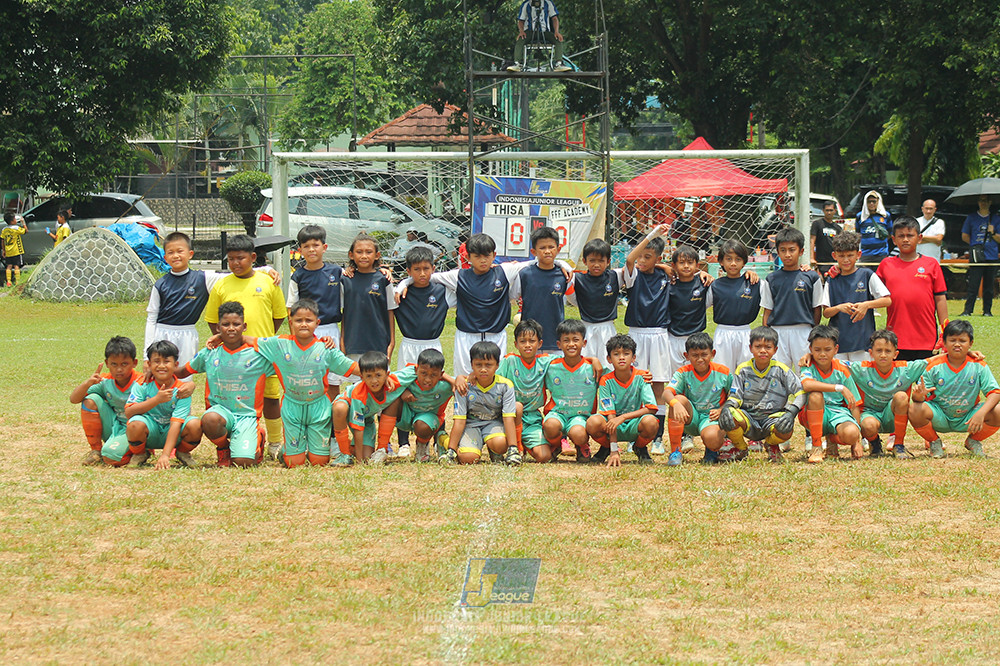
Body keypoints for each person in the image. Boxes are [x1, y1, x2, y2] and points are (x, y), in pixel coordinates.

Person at [397, 233, 566, 376]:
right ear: (468, 257)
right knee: (463, 378)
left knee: (496, 377)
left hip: (496, 335)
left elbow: (537, 261)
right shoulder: (458, 276)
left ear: (494, 254)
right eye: (477, 256)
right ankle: (462, 414)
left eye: (487, 256)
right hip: (466, 336)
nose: (483, 261)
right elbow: (427, 276)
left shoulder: (504, 271)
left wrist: (562, 263)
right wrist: (403, 284)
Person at [146, 231, 278, 373]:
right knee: (159, 373)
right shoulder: (160, 284)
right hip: (163, 331)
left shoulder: (203, 278)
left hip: (188, 334)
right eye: (171, 252)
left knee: (184, 375)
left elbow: (235, 273)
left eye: (180, 251)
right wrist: (145, 357)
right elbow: (151, 318)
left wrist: (266, 269)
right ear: (165, 257)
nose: (176, 255)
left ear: (190, 254)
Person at [250, 299, 360, 468]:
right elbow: (252, 341)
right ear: (290, 321)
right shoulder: (279, 344)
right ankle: (289, 450)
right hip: (292, 406)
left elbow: (352, 367)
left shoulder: (325, 348)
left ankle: (308, 447)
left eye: (308, 320)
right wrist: (222, 336)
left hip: (318, 407)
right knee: (294, 463)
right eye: (298, 320)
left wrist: (381, 376)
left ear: (317, 323)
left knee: (319, 462)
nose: (303, 324)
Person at [205, 234, 287, 459]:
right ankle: (239, 439)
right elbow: (212, 318)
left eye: (240, 258)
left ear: (252, 257)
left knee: (271, 397)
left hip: (262, 353)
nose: (235, 263)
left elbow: (279, 316)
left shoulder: (268, 282)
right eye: (230, 259)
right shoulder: (222, 284)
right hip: (233, 357)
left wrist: (264, 338)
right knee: (235, 398)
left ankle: (274, 443)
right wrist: (224, 339)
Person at [178, 302, 271, 467]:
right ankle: (223, 448)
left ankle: (258, 437)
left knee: (243, 463)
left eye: (236, 324)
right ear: (218, 327)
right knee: (209, 419)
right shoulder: (210, 352)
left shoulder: (258, 355)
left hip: (246, 416)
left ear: (244, 326)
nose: (231, 328)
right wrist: (159, 370)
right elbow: (184, 371)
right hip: (220, 413)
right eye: (226, 324)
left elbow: (283, 351)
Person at [392, 245, 456, 456]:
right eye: (416, 269)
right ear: (408, 270)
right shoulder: (399, 293)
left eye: (426, 268)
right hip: (408, 345)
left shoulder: (441, 291)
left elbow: (463, 281)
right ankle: (403, 443)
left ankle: (439, 436)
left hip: (433, 344)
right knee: (404, 389)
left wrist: (405, 282)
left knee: (436, 389)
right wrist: (403, 284)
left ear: (433, 268)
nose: (422, 273)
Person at [102, 340, 202, 469]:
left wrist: (165, 455)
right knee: (135, 424)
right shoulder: (142, 384)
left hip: (171, 432)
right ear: (149, 364)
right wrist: (156, 400)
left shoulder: (182, 390)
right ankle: (140, 454)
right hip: (150, 431)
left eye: (166, 361)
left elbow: (176, 423)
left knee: (195, 425)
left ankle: (182, 452)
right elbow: (129, 412)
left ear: (176, 365)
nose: (161, 366)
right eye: (156, 361)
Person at [909, 320, 1000, 458]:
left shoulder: (978, 365)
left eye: (962, 340)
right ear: (944, 343)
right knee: (914, 409)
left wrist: (981, 413)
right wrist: (918, 395)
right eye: (952, 340)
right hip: (940, 416)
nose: (957, 344)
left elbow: (995, 392)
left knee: (998, 411)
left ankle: (973, 441)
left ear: (970, 344)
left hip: (969, 416)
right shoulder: (933, 366)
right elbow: (918, 398)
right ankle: (934, 442)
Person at [718, 326, 805, 463]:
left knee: (785, 429)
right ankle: (740, 448)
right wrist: (727, 407)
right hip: (748, 418)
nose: (763, 350)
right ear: (750, 348)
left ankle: (771, 445)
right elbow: (735, 396)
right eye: (758, 346)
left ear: (775, 350)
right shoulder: (743, 369)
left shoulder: (782, 370)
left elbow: (801, 392)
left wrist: (791, 412)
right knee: (730, 415)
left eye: (768, 347)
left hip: (772, 418)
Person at [623, 224, 672, 450]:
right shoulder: (632, 276)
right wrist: (652, 235)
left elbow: (691, 270)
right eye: (641, 255)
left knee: (659, 385)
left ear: (658, 258)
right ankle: (635, 432)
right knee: (636, 382)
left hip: (660, 334)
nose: (642, 260)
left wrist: (663, 265)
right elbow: (631, 259)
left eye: (648, 257)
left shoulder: (665, 275)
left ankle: (658, 437)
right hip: (637, 334)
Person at [845, 329, 927, 459]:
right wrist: (809, 356)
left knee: (901, 396)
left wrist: (966, 354)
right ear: (871, 353)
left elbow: (934, 361)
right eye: (879, 351)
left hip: (893, 415)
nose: (883, 355)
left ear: (896, 354)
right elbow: (834, 363)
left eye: (888, 351)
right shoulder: (861, 369)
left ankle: (899, 445)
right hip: (870, 414)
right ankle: (874, 443)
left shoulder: (905, 369)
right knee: (868, 425)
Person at [876, 217, 948, 361]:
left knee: (926, 382)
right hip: (896, 338)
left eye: (910, 235)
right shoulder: (886, 265)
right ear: (894, 240)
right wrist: (839, 270)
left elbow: (940, 298)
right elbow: (868, 287)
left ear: (919, 238)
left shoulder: (931, 264)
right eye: (901, 236)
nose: (905, 240)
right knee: (900, 382)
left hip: (926, 338)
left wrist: (945, 329)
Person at [288, 225, 347, 401]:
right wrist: (295, 340)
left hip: (331, 330)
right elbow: (291, 310)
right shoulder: (297, 276)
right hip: (307, 332)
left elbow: (347, 303)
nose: (311, 249)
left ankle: (332, 423)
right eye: (306, 246)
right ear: (300, 250)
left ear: (324, 247)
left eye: (316, 245)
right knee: (308, 379)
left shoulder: (336, 272)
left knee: (332, 381)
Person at [586, 334, 659, 467]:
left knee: (651, 422)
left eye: (626, 353)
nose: (621, 357)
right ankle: (607, 448)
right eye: (616, 354)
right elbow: (611, 415)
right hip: (611, 423)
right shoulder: (606, 380)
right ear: (609, 359)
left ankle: (640, 448)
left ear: (633, 357)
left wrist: (624, 417)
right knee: (593, 422)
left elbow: (651, 408)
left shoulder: (642, 377)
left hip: (634, 424)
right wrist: (614, 450)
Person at [442, 341, 520, 466]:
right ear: (472, 365)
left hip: (493, 423)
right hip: (471, 425)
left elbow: (508, 418)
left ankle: (494, 450)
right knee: (469, 459)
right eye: (478, 365)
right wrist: (451, 450)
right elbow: (460, 420)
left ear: (497, 365)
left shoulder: (505, 386)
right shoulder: (464, 386)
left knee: (501, 444)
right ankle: (445, 441)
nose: (483, 369)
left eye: (488, 365)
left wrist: (512, 448)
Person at [69, 336, 142, 466]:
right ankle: (96, 451)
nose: (119, 369)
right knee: (90, 400)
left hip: (137, 429)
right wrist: (88, 383)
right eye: (114, 364)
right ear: (107, 363)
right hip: (115, 427)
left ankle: (140, 449)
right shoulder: (105, 380)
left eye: (124, 364)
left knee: (112, 459)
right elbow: (74, 399)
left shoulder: (142, 381)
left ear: (134, 363)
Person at [820, 231, 892, 362]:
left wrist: (866, 305)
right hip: (838, 343)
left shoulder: (866, 275)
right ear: (834, 256)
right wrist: (839, 308)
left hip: (863, 342)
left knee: (862, 379)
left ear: (858, 255)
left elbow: (887, 300)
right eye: (841, 256)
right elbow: (826, 312)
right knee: (842, 379)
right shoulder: (832, 280)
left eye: (850, 255)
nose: (846, 260)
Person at [760, 226, 822, 374]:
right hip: (778, 331)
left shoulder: (811, 277)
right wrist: (768, 336)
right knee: (779, 375)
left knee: (805, 373)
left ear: (801, 251)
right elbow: (767, 310)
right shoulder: (771, 278)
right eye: (783, 250)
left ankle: (803, 398)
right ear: (778, 252)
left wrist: (812, 334)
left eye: (792, 250)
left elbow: (817, 309)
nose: (787, 254)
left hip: (803, 331)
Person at [665, 332, 731, 466]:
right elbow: (666, 393)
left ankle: (712, 450)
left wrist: (721, 410)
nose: (700, 359)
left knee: (712, 438)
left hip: (711, 418)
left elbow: (735, 397)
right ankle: (675, 451)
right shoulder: (683, 372)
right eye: (695, 355)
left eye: (704, 355)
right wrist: (675, 404)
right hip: (691, 416)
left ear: (712, 353)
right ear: (686, 356)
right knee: (677, 399)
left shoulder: (723, 373)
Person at [798, 325, 863, 463]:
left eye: (827, 350)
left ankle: (832, 440)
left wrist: (857, 441)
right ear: (810, 350)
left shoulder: (842, 369)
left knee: (851, 434)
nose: (822, 354)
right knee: (815, 395)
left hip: (838, 412)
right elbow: (807, 384)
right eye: (817, 350)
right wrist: (839, 388)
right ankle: (816, 447)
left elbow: (854, 404)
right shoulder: (808, 365)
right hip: (813, 413)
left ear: (836, 350)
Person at [542, 319, 599, 463]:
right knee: (550, 426)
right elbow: (530, 360)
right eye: (566, 340)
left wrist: (640, 374)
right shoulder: (551, 365)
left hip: (580, 416)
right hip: (558, 413)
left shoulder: (593, 368)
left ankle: (582, 445)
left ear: (584, 343)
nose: (571, 344)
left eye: (576, 340)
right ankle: (556, 445)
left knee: (579, 433)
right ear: (559, 344)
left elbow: (615, 375)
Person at [333, 351, 403, 466]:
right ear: (361, 377)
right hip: (346, 410)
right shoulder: (358, 395)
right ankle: (344, 453)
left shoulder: (394, 380)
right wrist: (359, 462)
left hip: (366, 417)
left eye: (378, 375)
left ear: (387, 374)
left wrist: (443, 376)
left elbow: (414, 371)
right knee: (340, 408)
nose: (374, 381)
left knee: (367, 456)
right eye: (369, 376)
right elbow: (358, 428)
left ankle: (351, 447)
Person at [565, 238, 625, 367]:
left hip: (608, 328)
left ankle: (606, 387)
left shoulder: (615, 276)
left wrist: (663, 266)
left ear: (608, 261)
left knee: (609, 366)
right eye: (592, 260)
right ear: (585, 261)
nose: (596, 265)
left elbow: (634, 265)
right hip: (587, 328)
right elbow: (572, 298)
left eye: (601, 261)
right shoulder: (578, 278)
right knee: (586, 366)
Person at [498, 319, 552, 457]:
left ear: (539, 343)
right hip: (509, 417)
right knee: (517, 406)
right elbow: (492, 379)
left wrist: (592, 360)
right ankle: (515, 446)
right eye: (522, 341)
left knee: (544, 456)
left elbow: (569, 360)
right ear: (516, 344)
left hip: (532, 418)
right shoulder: (509, 361)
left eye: (532, 341)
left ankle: (526, 442)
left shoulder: (545, 362)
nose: (527, 345)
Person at [389, 348, 455, 463]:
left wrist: (457, 380)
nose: (427, 379)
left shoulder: (445, 386)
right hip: (407, 415)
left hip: (427, 420)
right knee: (392, 400)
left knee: (422, 425)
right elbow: (387, 380)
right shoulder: (409, 376)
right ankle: (383, 447)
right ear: (416, 370)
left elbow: (469, 381)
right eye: (423, 373)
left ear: (441, 375)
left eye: (433, 375)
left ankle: (422, 446)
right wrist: (402, 391)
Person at [511, 226, 569, 354]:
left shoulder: (564, 275)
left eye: (551, 247)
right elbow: (513, 295)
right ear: (533, 251)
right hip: (530, 339)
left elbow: (573, 297)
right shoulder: (525, 274)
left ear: (558, 249)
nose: (547, 251)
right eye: (542, 248)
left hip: (555, 338)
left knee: (555, 373)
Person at [341, 232, 397, 360]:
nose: (364, 256)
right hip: (354, 344)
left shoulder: (384, 279)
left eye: (368, 252)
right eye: (359, 252)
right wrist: (343, 341)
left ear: (377, 255)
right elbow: (345, 313)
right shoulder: (346, 280)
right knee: (356, 380)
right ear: (351, 255)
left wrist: (391, 343)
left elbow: (390, 311)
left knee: (378, 379)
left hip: (378, 344)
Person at [709, 239, 761, 375]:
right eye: (728, 259)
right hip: (723, 333)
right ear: (721, 261)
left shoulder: (753, 283)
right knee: (723, 373)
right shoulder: (715, 285)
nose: (733, 263)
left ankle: (745, 396)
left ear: (744, 262)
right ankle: (724, 397)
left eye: (738, 259)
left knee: (746, 372)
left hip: (745, 332)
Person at [960, 194, 1000, 317]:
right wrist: (975, 245)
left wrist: (992, 232)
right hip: (976, 255)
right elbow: (965, 236)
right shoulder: (971, 218)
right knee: (973, 284)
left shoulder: (996, 218)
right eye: (981, 201)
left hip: (991, 255)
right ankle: (968, 310)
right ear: (978, 202)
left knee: (988, 285)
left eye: (985, 201)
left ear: (990, 202)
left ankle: (987, 311)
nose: (983, 203)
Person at [506, 0, 570, 72]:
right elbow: (521, 20)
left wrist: (556, 32)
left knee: (557, 39)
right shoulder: (526, 4)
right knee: (520, 39)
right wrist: (521, 31)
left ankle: (559, 64)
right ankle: (517, 64)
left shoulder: (548, 3)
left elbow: (554, 18)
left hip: (545, 31)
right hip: (530, 31)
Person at [855, 190, 892, 263]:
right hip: (865, 254)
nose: (871, 204)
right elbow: (858, 234)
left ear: (878, 202)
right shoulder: (860, 216)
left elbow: (890, 233)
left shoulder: (885, 216)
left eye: (874, 201)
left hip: (881, 254)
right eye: (869, 202)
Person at [810, 200, 843, 274]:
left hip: (834, 261)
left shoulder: (838, 228)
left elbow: (841, 245)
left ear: (835, 211)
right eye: (827, 210)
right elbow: (812, 241)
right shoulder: (817, 224)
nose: (829, 213)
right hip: (821, 262)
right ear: (823, 211)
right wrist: (812, 258)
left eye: (831, 210)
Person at [2, 213, 26, 287]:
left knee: (9, 266)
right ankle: (17, 281)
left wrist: (4, 250)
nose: (16, 220)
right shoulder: (16, 228)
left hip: (8, 251)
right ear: (12, 221)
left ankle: (8, 281)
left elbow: (2, 240)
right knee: (16, 266)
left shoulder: (4, 229)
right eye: (15, 219)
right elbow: (25, 231)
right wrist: (23, 222)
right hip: (16, 251)